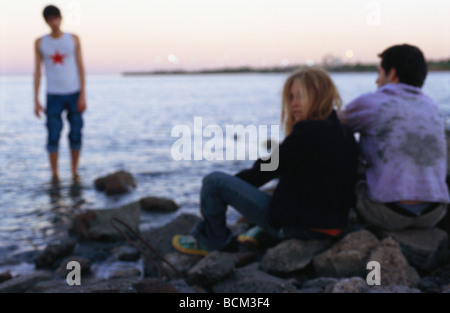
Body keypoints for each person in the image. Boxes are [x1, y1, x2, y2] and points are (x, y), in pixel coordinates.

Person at [172, 67, 359, 256]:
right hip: (333, 225)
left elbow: (267, 168)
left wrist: (225, 191)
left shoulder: (309, 131)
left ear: (319, 96)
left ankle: (211, 240)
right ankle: (258, 233)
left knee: (214, 182)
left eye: (300, 97)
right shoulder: (344, 132)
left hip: (302, 228)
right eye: (291, 97)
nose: (293, 104)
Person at [340, 44, 449, 231]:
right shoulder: (432, 107)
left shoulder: (372, 102)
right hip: (434, 212)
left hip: (389, 212)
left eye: (379, 73)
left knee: (339, 136)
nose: (376, 81)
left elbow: (327, 127)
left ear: (392, 74)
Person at [34, 5, 87, 183]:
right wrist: (36, 100)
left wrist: (83, 95)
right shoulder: (41, 43)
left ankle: (74, 171)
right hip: (53, 95)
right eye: (50, 19)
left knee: (76, 133)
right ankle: (55, 174)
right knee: (53, 134)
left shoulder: (73, 39)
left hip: (74, 93)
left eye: (56, 17)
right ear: (47, 21)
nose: (54, 21)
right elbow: (37, 71)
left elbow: (81, 67)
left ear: (61, 18)